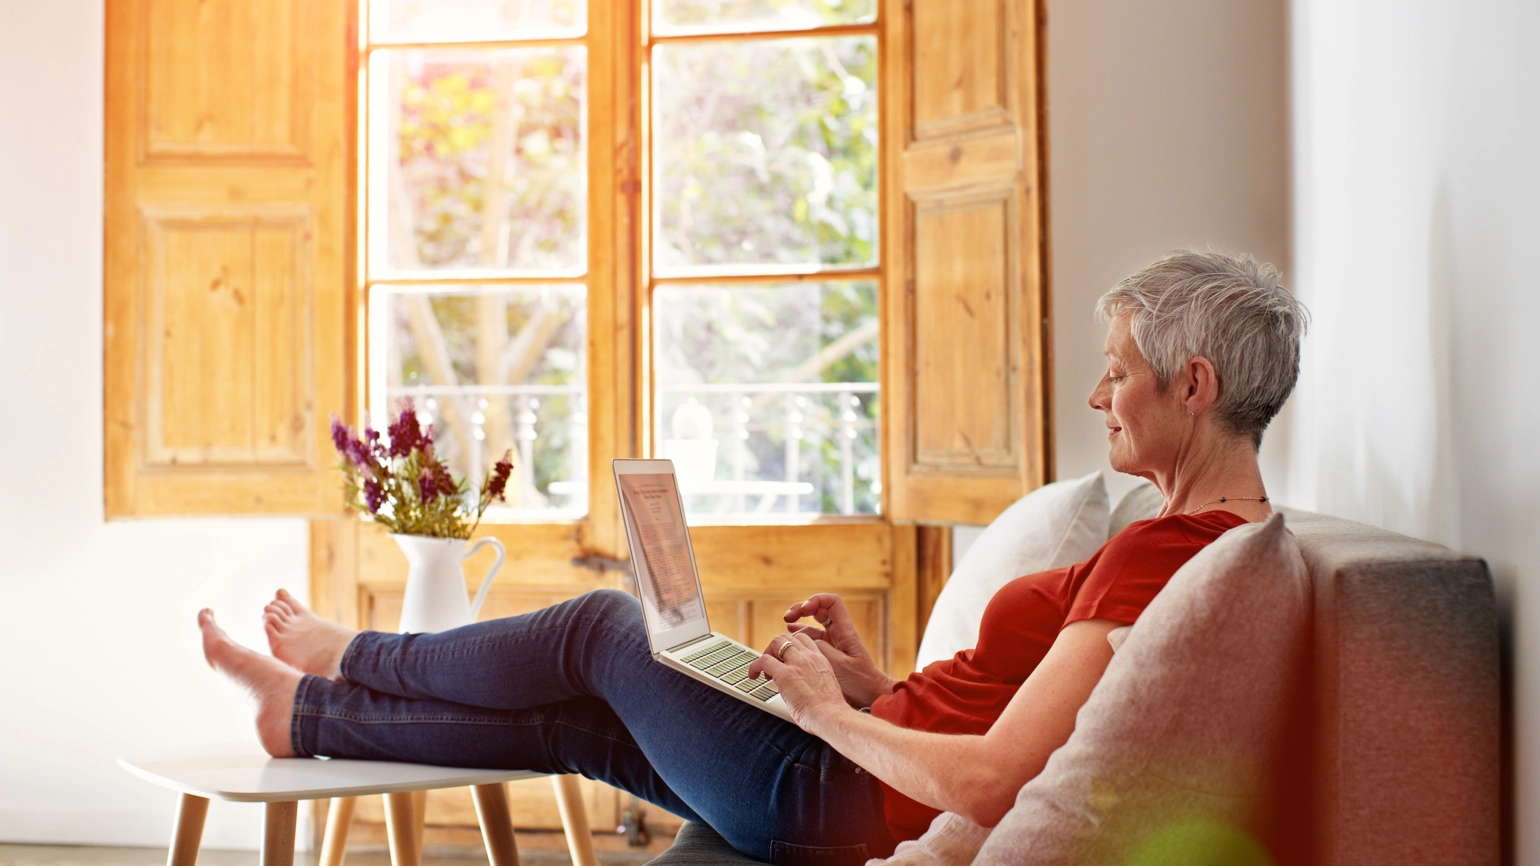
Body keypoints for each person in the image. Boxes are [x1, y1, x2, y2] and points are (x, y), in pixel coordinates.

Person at [198, 249, 1308, 865]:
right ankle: (301, 714)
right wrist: (874, 681)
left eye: (1118, 372)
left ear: (1194, 385)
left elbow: (997, 778)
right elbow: (1007, 714)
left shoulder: (1171, 552)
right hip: (849, 764)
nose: (1098, 395)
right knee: (574, 720)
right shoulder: (1209, 547)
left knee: (601, 627)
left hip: (832, 792)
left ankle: (359, 653)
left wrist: (827, 712)